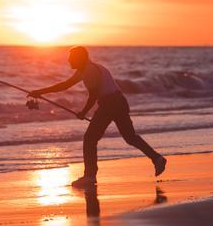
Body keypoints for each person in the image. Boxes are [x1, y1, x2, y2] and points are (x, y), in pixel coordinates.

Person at [29, 46, 166, 188]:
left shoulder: (90, 71)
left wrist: (83, 112)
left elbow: (93, 95)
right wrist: (39, 92)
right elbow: (65, 85)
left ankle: (90, 176)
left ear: (79, 58)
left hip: (110, 104)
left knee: (90, 138)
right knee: (130, 137)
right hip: (118, 102)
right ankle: (157, 158)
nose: (69, 60)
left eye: (71, 57)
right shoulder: (86, 69)